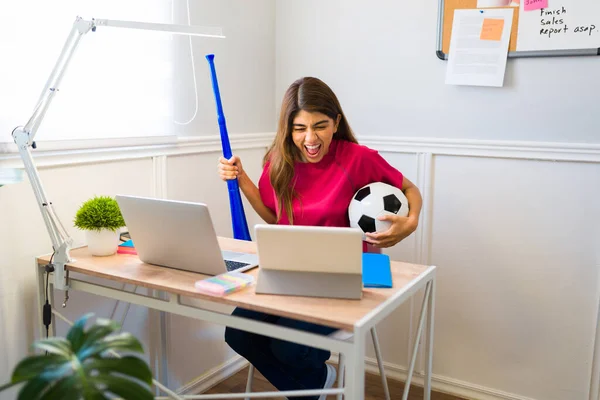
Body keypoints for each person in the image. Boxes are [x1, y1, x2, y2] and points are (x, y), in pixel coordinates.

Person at [217, 77, 422, 399]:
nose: (310, 138)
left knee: (287, 345)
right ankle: (317, 385)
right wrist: (242, 179)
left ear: (336, 123)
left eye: (320, 126)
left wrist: (409, 224)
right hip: (290, 274)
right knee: (239, 333)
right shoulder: (278, 161)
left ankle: (311, 387)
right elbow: (275, 218)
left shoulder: (357, 158)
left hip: (345, 275)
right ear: (288, 127)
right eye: (300, 128)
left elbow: (410, 189)